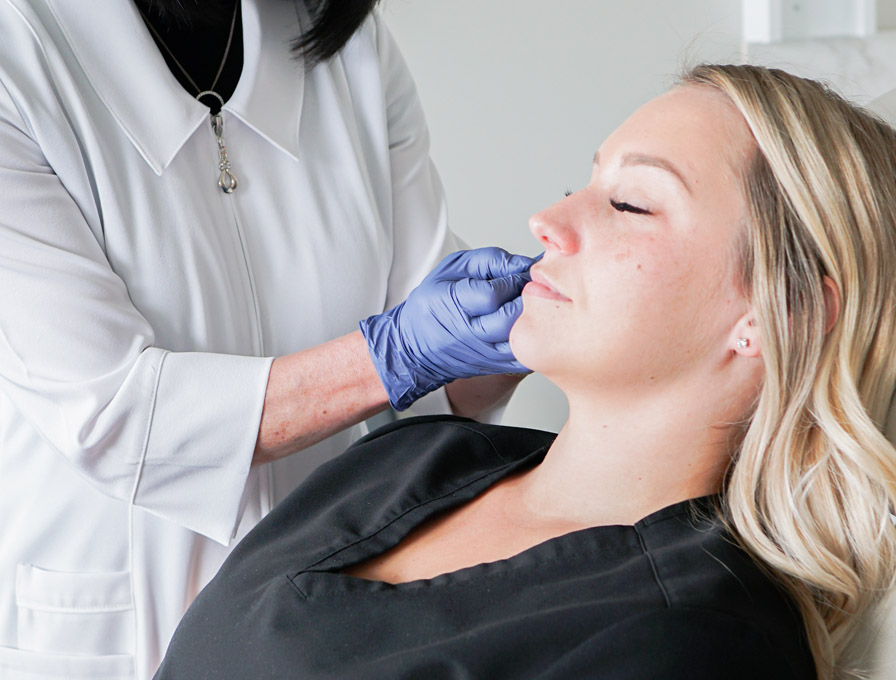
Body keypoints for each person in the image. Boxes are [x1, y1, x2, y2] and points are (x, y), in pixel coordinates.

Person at [152, 63, 896, 679]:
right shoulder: (413, 455)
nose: (548, 220)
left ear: (785, 315)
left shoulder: (690, 641)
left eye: (630, 203)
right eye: (586, 183)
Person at [0, 1, 531, 677]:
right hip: (117, 628)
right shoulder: (16, 56)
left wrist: (516, 336)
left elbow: (431, 399)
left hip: (322, 626)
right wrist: (391, 356)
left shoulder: (348, 44)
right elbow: (114, 413)